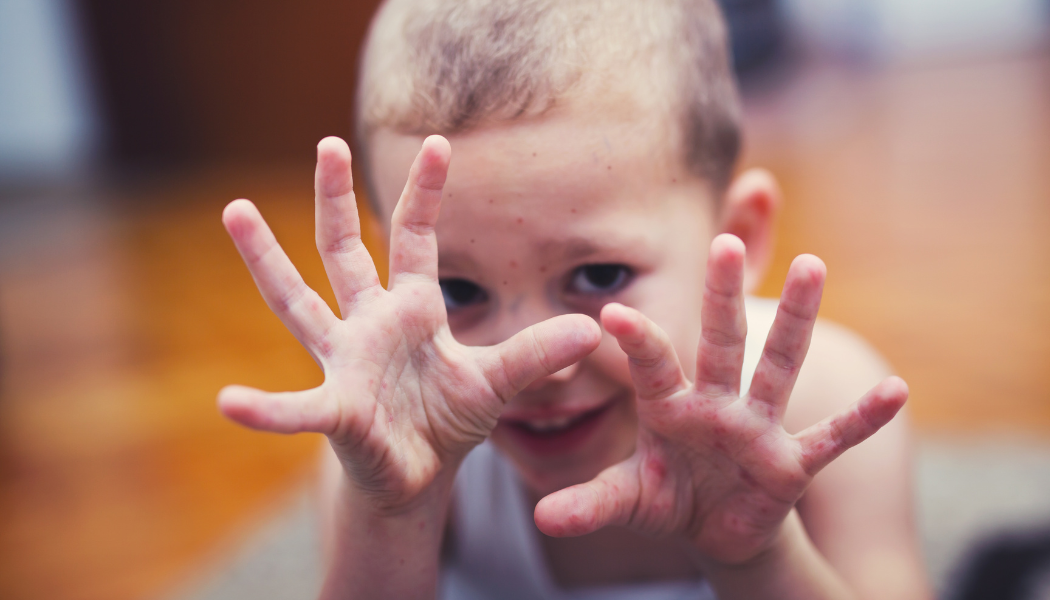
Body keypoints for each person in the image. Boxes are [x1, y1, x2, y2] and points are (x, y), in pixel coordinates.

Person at [217, 0, 930, 598]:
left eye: (597, 277)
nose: (533, 362)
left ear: (736, 237)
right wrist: (393, 514)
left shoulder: (826, 410)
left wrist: (756, 555)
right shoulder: (393, 444)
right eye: (455, 287)